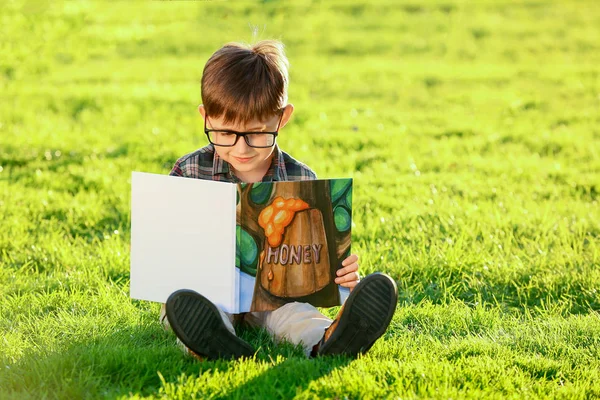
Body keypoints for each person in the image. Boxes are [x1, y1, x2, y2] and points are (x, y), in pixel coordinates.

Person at [161, 39, 397, 359]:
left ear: (282, 119)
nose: (241, 149)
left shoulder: (302, 180)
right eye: (226, 134)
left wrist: (340, 274)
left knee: (296, 313)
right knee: (197, 305)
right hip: (206, 288)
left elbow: (316, 259)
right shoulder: (189, 170)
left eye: (258, 133)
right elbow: (165, 243)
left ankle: (329, 340)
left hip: (276, 295)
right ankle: (211, 343)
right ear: (206, 118)